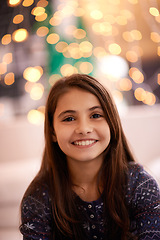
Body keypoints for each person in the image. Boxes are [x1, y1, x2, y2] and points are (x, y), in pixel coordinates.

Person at [20, 73, 160, 240]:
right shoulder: (38, 198)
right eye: (69, 118)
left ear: (112, 123)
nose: (84, 128)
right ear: (52, 132)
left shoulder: (140, 185)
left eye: (95, 115)